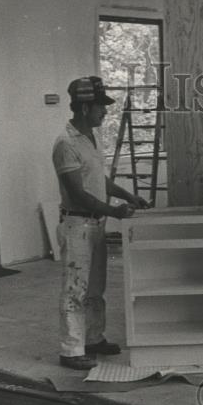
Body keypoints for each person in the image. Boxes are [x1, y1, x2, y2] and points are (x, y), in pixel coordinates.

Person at [52, 75, 149, 370]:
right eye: (100, 107)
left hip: (96, 225)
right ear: (84, 108)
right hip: (77, 225)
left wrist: (128, 195)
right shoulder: (65, 143)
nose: (105, 112)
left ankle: (93, 338)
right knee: (75, 288)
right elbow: (78, 194)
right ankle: (71, 350)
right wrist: (116, 211)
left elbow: (97, 180)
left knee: (96, 287)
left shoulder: (90, 138)